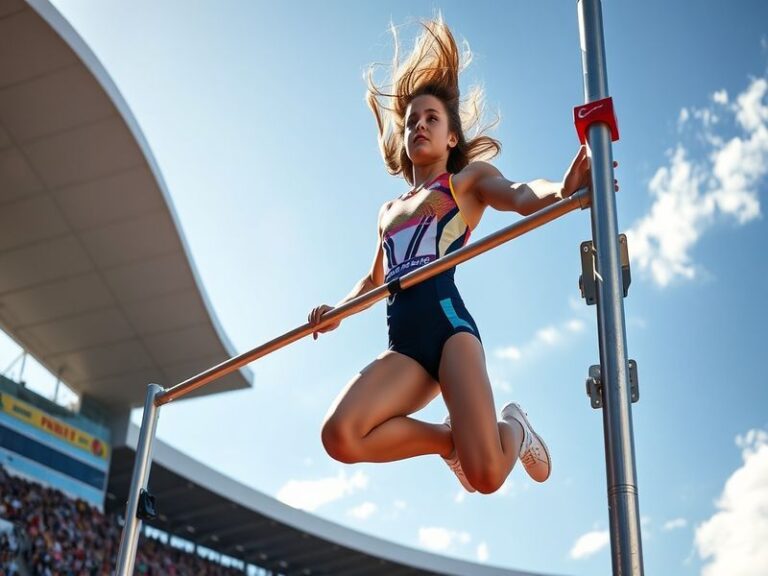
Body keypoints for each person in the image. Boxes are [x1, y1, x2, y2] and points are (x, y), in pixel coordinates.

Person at [308, 17, 617, 494]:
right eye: (412, 122)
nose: (419, 127)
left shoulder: (464, 182)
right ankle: (446, 442)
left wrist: (560, 190)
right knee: (340, 435)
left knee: (487, 477)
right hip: (404, 348)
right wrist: (337, 312)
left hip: (449, 331)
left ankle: (515, 427)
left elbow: (517, 193)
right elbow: (374, 281)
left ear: (451, 137)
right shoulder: (388, 210)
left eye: (432, 118)